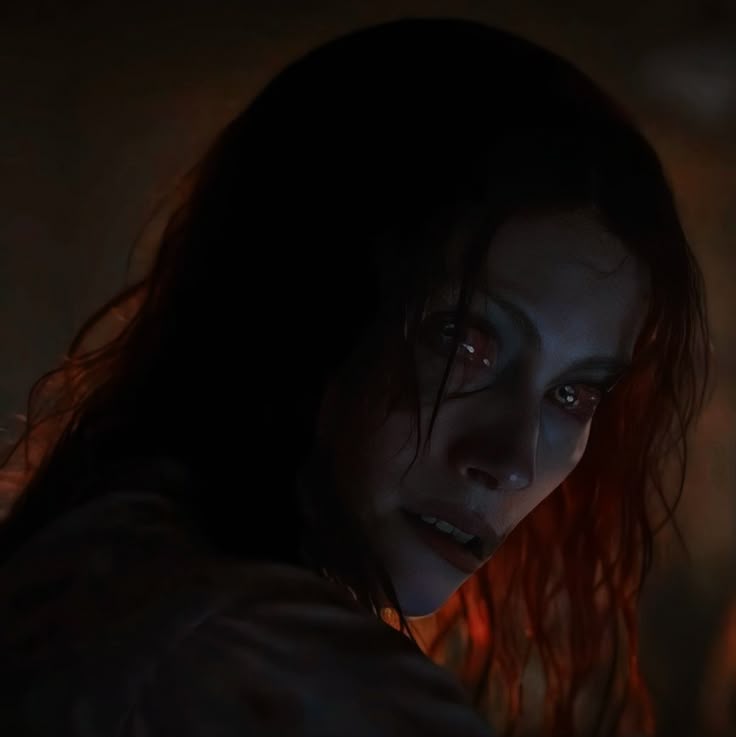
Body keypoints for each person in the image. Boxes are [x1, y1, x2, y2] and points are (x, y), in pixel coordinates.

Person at [0, 17, 711, 737]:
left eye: (574, 393)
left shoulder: (94, 574)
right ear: (302, 296)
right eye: (463, 344)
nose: (511, 461)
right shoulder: (249, 661)